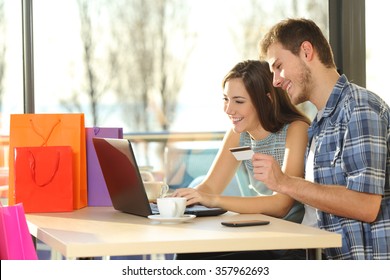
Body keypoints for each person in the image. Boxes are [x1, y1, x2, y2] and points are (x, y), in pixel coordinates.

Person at [256, 18, 390, 260]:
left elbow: (365, 205)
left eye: (278, 66)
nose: (275, 81)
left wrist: (285, 182)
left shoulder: (359, 108)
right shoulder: (320, 124)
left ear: (306, 51)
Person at [173, 60, 311, 259]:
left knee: (194, 258)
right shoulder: (239, 134)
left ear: (267, 100)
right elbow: (210, 188)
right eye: (226, 99)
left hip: (288, 243)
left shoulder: (296, 130)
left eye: (238, 101)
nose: (229, 109)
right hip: (258, 233)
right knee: (188, 253)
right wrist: (177, 199)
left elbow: (281, 205)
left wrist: (214, 200)